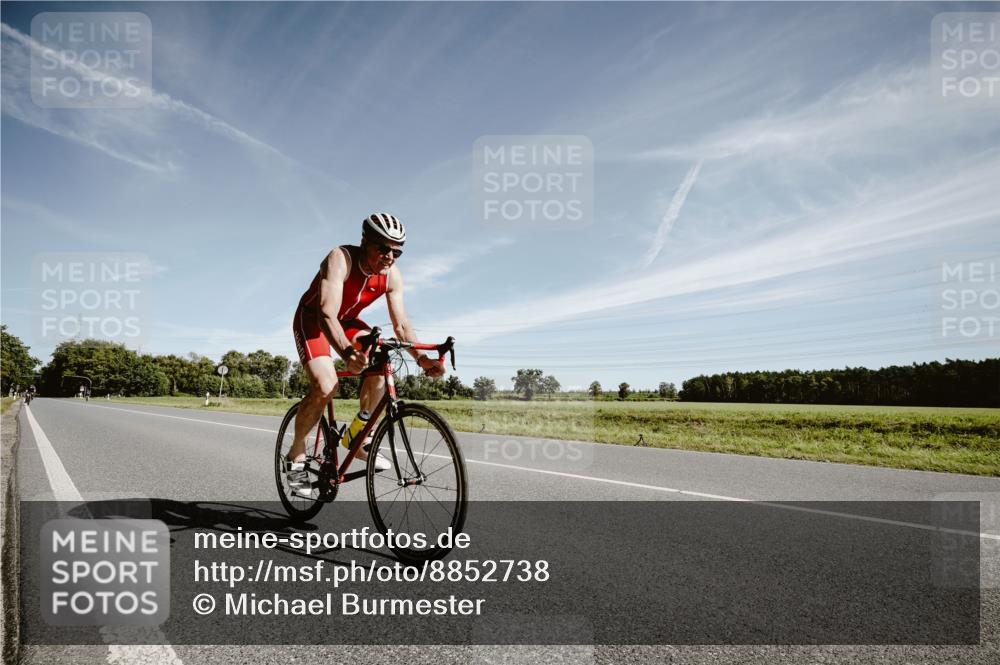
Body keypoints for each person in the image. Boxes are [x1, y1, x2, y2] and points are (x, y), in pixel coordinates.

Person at [287, 213, 445, 497]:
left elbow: (401, 325)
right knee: (326, 386)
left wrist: (421, 359)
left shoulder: (391, 275)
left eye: (397, 251)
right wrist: (347, 352)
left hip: (346, 322)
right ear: (365, 242)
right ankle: (296, 456)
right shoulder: (341, 259)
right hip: (314, 319)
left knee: (382, 363)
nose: (389, 256)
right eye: (383, 248)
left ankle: (358, 436)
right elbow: (326, 313)